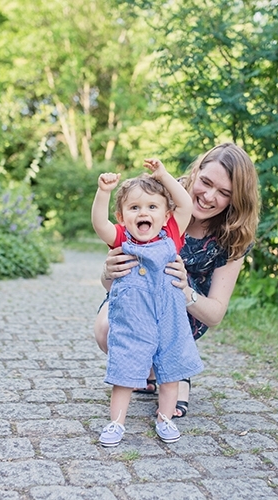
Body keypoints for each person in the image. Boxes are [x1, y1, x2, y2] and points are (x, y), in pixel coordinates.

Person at [95, 142, 260, 418]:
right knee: (106, 329)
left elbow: (215, 313)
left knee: (171, 330)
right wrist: (107, 271)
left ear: (235, 199)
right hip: (139, 297)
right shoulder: (158, 196)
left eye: (224, 193)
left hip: (186, 310)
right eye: (206, 182)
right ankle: (146, 370)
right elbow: (115, 283)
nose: (208, 196)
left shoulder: (234, 235)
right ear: (196, 172)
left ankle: (176, 372)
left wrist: (185, 291)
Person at [91, 158, 204, 447]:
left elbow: (186, 205)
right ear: (123, 215)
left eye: (152, 207)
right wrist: (103, 191)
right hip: (133, 319)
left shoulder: (172, 235)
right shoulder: (120, 238)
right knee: (125, 370)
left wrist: (163, 175)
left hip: (169, 317)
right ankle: (116, 423)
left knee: (171, 370)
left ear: (166, 215)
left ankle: (164, 418)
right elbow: (98, 223)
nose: (144, 213)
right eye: (135, 208)